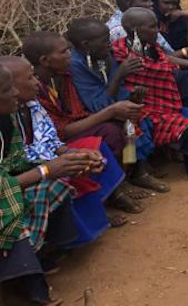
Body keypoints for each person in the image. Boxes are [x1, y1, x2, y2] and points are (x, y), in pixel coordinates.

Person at [1, 55, 128, 247]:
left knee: (87, 156)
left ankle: (101, 210)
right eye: (29, 78)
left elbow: (50, 139)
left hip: (33, 163)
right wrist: (48, 168)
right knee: (59, 177)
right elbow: (24, 159)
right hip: (18, 175)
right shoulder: (8, 116)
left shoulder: (32, 104)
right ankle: (52, 245)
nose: (36, 83)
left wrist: (70, 154)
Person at [22, 31, 144, 215]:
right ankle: (111, 194)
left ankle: (129, 175)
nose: (69, 55)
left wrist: (118, 109)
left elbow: (78, 113)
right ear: (45, 60)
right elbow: (60, 131)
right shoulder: (33, 90)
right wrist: (110, 109)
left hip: (76, 128)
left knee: (129, 128)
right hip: (54, 143)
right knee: (109, 132)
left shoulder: (64, 76)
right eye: (64, 52)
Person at [0, 63, 88, 306]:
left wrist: (64, 161)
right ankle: (30, 284)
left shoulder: (7, 120)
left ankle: (44, 253)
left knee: (54, 185)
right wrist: (46, 169)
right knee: (13, 220)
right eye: (8, 89)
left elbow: (16, 162)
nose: (15, 94)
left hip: (6, 187)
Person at [67, 17, 172, 193]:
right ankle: (127, 177)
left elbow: (118, 91)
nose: (109, 44)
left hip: (110, 108)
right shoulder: (76, 66)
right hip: (87, 115)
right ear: (86, 45)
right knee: (127, 127)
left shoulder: (102, 55)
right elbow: (96, 105)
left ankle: (137, 170)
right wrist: (120, 75)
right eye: (104, 41)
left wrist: (132, 97)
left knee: (137, 117)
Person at [112, 8, 188, 180]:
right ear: (134, 29)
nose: (157, 30)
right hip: (140, 110)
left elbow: (165, 60)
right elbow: (119, 87)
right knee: (187, 126)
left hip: (165, 105)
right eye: (152, 27)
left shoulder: (151, 47)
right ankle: (139, 173)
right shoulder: (120, 54)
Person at [107, 0, 174, 52]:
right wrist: (184, 52)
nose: (151, 3)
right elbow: (148, 59)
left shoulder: (141, 20)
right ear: (129, 4)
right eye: (145, 0)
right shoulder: (120, 29)